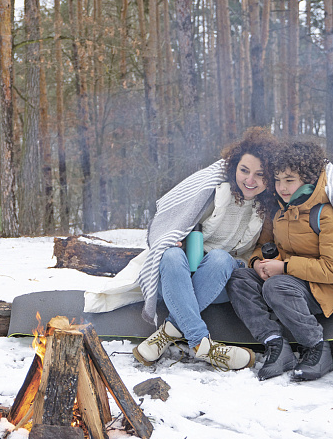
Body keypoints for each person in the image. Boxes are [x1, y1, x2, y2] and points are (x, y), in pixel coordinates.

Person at [87, 128, 278, 370]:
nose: (250, 180)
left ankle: (168, 332)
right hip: (179, 274)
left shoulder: (269, 209)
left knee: (220, 258)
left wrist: (256, 263)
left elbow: (262, 250)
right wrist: (177, 237)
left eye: (260, 175)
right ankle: (203, 345)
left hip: (221, 278)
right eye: (244, 170)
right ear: (234, 168)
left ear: (269, 177)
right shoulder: (213, 191)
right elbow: (173, 219)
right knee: (171, 253)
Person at [225, 139, 333, 381]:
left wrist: (283, 267)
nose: (282, 187)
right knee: (239, 278)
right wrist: (257, 264)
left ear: (306, 179)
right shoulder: (277, 209)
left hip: (322, 289)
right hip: (285, 280)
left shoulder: (324, 213)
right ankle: (276, 344)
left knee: (277, 285)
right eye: (278, 180)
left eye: (289, 180)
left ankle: (317, 348)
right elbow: (261, 246)